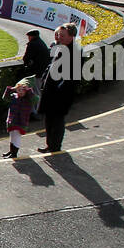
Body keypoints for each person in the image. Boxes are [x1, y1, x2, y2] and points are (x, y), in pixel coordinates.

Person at [39, 23, 79, 153]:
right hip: (51, 92)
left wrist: (57, 89)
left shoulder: (74, 53)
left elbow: (71, 78)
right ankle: (50, 145)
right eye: (58, 35)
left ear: (71, 36)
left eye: (62, 35)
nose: (59, 37)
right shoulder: (61, 48)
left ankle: (54, 146)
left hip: (60, 95)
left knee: (56, 120)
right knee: (49, 119)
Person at [20, 29, 51, 119]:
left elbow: (26, 58)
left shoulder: (33, 44)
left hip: (36, 72)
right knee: (37, 91)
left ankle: (34, 112)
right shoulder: (41, 43)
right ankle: (35, 111)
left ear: (32, 36)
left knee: (35, 91)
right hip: (42, 71)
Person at [1, 79, 35, 158]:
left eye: (23, 90)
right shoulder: (14, 96)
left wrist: (29, 90)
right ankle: (11, 151)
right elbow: (5, 97)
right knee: (12, 136)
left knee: (17, 137)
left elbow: (34, 99)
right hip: (12, 120)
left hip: (21, 121)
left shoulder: (28, 99)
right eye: (19, 90)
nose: (21, 92)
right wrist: (11, 89)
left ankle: (14, 153)